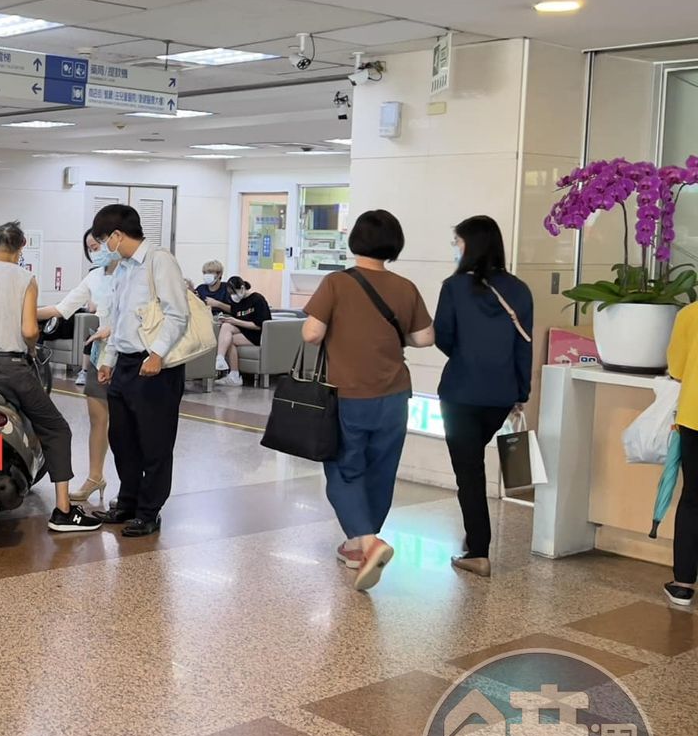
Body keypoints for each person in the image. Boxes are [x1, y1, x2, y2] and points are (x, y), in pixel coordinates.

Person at [302, 209, 435, 592]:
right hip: (395, 395)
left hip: (349, 394)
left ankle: (369, 542)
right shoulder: (405, 286)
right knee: (380, 470)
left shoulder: (336, 283)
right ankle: (358, 547)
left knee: (344, 470)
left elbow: (311, 334)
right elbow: (425, 337)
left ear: (355, 240)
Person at [0, 222, 99, 532]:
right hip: (9, 369)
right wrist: (32, 347)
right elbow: (29, 330)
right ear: (21, 248)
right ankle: (64, 511)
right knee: (56, 428)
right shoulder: (25, 278)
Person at [435, 216, 533, 578]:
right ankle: (473, 538)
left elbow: (444, 336)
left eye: (457, 242)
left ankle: (478, 550)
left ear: (470, 245)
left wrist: (467, 355)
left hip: (461, 391)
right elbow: (524, 344)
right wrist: (521, 391)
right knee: (473, 464)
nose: (455, 248)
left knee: (469, 471)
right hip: (502, 394)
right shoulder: (519, 289)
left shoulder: (454, 287)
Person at [92, 204, 190, 537]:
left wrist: (157, 353)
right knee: (122, 439)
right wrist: (108, 359)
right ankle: (128, 502)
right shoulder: (123, 268)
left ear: (117, 235)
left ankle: (149, 512)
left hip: (154, 366)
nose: (103, 247)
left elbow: (177, 313)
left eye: (103, 240)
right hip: (125, 364)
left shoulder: (159, 261)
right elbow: (118, 318)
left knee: (155, 443)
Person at [36, 229, 121, 508]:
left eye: (98, 245)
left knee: (125, 425)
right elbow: (63, 308)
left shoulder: (132, 273)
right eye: (91, 248)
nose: (95, 252)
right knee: (98, 421)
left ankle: (131, 486)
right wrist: (22, 312)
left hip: (125, 355)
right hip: (100, 355)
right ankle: (95, 477)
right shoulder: (94, 277)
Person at [661, 303, 698, 607]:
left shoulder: (690, 314)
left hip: (694, 418)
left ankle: (683, 585)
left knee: (693, 499)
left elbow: (677, 370)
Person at [215, 275, 272, 387]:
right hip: (243, 331)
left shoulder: (257, 299)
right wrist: (228, 320)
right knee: (226, 326)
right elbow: (236, 319)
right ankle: (220, 358)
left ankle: (234, 375)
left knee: (229, 340)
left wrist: (235, 321)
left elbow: (259, 325)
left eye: (234, 293)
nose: (233, 296)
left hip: (257, 334)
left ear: (242, 288)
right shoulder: (236, 302)